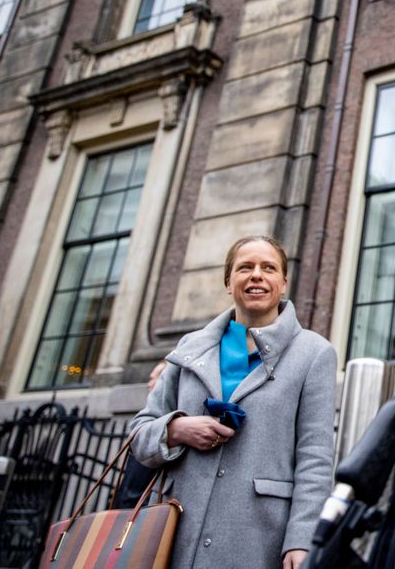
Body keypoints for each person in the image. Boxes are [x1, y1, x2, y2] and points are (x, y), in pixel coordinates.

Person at [130, 236, 337, 569]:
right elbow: (139, 434)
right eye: (245, 267)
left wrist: (302, 539)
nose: (257, 275)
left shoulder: (314, 354)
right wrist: (177, 429)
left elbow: (315, 457)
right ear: (229, 282)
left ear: (283, 283)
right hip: (175, 538)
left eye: (268, 268)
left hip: (259, 540)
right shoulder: (190, 348)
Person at [112, 361, 167, 509]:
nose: (149, 384)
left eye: (155, 378)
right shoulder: (149, 421)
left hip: (138, 512)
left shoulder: (160, 426)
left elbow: (135, 490)